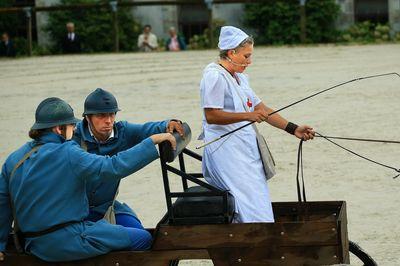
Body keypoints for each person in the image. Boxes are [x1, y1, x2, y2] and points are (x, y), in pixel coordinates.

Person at [0, 97, 176, 262]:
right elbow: (112, 167)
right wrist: (151, 142)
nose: (74, 129)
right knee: (144, 238)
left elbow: (3, 204)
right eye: (71, 125)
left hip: (33, 245)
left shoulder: (14, 160)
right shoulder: (68, 152)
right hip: (68, 240)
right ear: (58, 129)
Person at [199, 26, 315, 223]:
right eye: (246, 56)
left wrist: (293, 128)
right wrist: (248, 116)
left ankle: (261, 233)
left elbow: (262, 109)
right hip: (227, 153)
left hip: (244, 150)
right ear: (231, 53)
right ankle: (254, 239)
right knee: (246, 202)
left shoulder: (240, 78)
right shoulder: (214, 76)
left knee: (257, 196)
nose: (249, 62)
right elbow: (212, 115)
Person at [73, 88, 184, 231]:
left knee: (142, 236)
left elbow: (147, 129)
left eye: (111, 114)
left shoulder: (122, 132)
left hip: (106, 207)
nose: (108, 121)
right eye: (101, 116)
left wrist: (169, 124)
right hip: (76, 211)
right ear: (88, 118)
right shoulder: (73, 140)